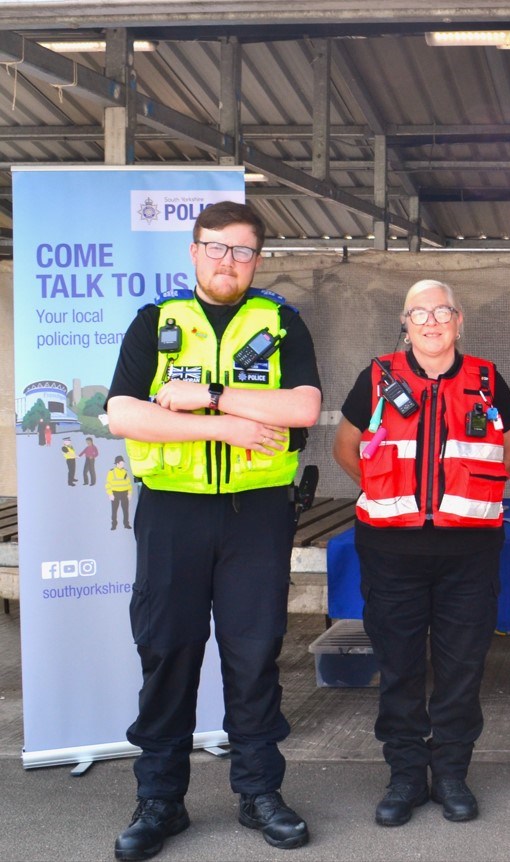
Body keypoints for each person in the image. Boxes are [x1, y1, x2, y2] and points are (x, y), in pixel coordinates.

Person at [105, 200, 321, 861]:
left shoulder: (281, 323)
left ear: (259, 259)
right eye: (217, 248)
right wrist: (223, 427)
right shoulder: (157, 323)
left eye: (243, 251)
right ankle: (160, 801)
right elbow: (122, 414)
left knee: (253, 653)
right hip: (173, 510)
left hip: (256, 512)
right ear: (194, 252)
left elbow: (302, 407)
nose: (230, 261)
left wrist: (214, 395)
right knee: (168, 650)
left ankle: (258, 793)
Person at [332, 279, 510, 826]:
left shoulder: (486, 379)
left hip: (469, 550)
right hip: (392, 550)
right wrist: (386, 493)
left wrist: (470, 493)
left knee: (462, 668)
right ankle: (406, 776)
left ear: (460, 321)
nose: (432, 321)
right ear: (405, 323)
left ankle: (453, 774)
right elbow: (346, 447)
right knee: (400, 667)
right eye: (420, 313)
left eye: (442, 311)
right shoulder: (377, 378)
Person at [106, 454, 133, 530]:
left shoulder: (125, 471)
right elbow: (108, 483)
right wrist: (110, 494)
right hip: (115, 494)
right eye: (121, 463)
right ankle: (114, 524)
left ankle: (126, 524)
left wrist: (129, 493)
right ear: (117, 463)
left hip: (124, 493)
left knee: (125, 510)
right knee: (114, 510)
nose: (122, 464)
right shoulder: (111, 472)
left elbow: (129, 484)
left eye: (123, 463)